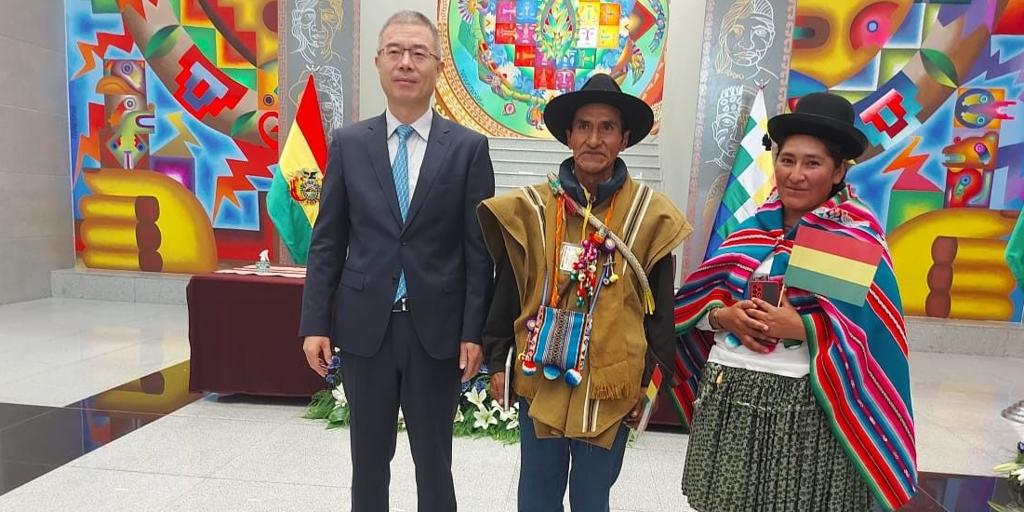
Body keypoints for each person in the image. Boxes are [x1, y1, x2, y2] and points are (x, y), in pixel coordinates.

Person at [674, 92, 917, 511]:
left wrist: (801, 326)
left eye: (813, 163)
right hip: (731, 400)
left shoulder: (850, 235)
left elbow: (865, 333)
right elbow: (694, 306)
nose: (796, 174)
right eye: (787, 160)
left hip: (805, 412)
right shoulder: (752, 229)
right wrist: (723, 317)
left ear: (839, 170)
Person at [299, 10, 495, 512]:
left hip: (438, 332)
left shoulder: (469, 149)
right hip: (367, 330)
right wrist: (315, 322)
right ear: (380, 62)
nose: (406, 63)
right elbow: (328, 241)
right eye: (395, 52)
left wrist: (474, 333)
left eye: (418, 53)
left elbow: (479, 252)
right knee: (368, 462)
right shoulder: (348, 143)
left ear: (437, 67)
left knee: (435, 462)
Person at [477, 73, 692, 512]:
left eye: (607, 127)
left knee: (593, 500)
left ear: (624, 138)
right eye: (584, 127)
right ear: (569, 135)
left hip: (613, 387)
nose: (595, 139)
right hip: (542, 377)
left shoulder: (652, 217)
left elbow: (661, 314)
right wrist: (497, 357)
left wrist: (649, 389)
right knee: (536, 497)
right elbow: (509, 288)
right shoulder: (533, 208)